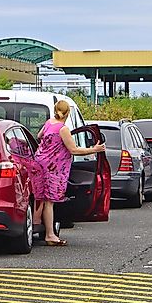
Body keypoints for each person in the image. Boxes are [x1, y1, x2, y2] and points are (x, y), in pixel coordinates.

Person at [32, 100, 105, 246]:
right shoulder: (63, 129)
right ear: (68, 113)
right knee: (49, 201)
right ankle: (50, 235)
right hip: (53, 167)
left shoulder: (48, 123)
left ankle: (35, 223)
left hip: (39, 162)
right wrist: (94, 149)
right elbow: (74, 149)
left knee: (39, 196)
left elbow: (40, 136)